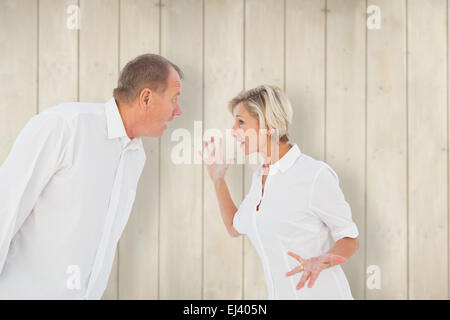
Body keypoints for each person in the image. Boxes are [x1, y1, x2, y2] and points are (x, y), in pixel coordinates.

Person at [0, 53, 183, 299]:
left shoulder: (135, 156)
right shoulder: (65, 126)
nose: (178, 111)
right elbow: (6, 206)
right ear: (146, 97)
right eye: (174, 99)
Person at [200, 84, 360, 299]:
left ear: (267, 124)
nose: (233, 130)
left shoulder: (314, 174)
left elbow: (350, 238)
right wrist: (218, 180)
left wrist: (324, 259)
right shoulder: (260, 178)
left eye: (241, 122)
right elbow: (234, 227)